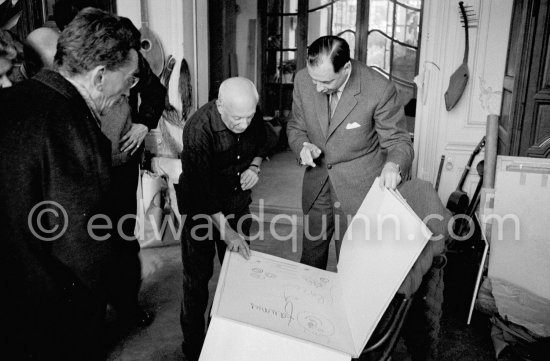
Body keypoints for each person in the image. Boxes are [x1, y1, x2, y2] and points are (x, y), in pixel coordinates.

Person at [0, 8, 139, 360]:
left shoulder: (11, 99)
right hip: (52, 319)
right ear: (99, 76)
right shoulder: (73, 128)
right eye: (129, 79)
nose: (127, 90)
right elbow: (83, 248)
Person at [287, 35, 414, 270]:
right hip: (318, 185)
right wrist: (302, 145)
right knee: (310, 262)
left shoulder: (378, 89)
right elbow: (296, 127)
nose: (317, 87)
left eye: (325, 82)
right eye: (314, 79)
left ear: (346, 67)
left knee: (352, 266)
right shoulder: (304, 79)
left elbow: (399, 142)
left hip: (359, 190)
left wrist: (392, 165)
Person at [177, 77, 268, 361]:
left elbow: (264, 139)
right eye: (237, 119)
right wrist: (226, 231)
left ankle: (228, 343)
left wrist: (255, 165)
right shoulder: (198, 129)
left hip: (237, 202)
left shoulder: (249, 111)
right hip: (202, 210)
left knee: (238, 276)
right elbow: (202, 189)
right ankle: (194, 349)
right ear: (219, 106)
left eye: (249, 117)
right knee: (197, 281)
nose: (243, 124)